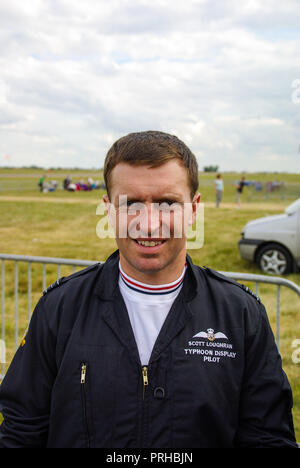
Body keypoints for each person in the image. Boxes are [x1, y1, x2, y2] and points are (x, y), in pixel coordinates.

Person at [0, 131, 297, 448]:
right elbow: (21, 432)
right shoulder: (59, 309)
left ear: (194, 209)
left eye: (168, 203)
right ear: (109, 210)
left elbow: (267, 437)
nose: (149, 224)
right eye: (130, 204)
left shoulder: (240, 314)